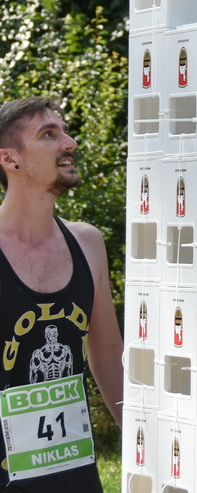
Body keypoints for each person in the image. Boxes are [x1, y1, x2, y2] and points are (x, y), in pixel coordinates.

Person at [0, 98, 123, 490]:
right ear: (10, 158)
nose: (69, 142)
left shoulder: (87, 243)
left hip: (74, 472)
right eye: (49, 134)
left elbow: (108, 357)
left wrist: (144, 442)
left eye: (65, 131)